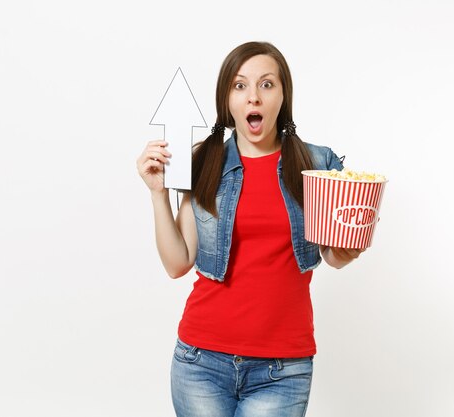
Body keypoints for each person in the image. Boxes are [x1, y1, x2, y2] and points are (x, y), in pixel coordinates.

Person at [136, 41, 365, 417]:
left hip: (282, 369)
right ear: (227, 100)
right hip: (201, 362)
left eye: (266, 84)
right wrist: (159, 194)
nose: (253, 97)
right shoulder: (203, 161)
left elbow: (333, 256)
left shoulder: (317, 164)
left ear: (283, 96)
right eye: (240, 86)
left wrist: (350, 245)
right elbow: (178, 263)